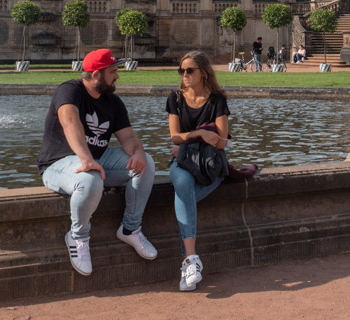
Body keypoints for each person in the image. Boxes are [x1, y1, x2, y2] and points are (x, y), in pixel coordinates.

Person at [37, 48, 158, 276]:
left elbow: (129, 138)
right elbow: (70, 123)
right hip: (58, 165)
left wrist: (139, 152)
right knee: (89, 179)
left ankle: (131, 229)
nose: (118, 76)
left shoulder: (113, 102)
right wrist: (86, 158)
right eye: (113, 71)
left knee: (146, 164)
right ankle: (78, 237)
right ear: (95, 74)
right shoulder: (70, 90)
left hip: (97, 161)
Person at [168, 51, 231, 291]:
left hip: (209, 165)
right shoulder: (175, 98)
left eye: (189, 70)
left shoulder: (217, 100)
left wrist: (189, 142)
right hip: (183, 162)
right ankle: (191, 260)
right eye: (181, 70)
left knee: (184, 199)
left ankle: (188, 269)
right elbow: (175, 138)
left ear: (203, 73)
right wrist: (200, 134)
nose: (184, 75)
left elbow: (222, 142)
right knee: (183, 184)